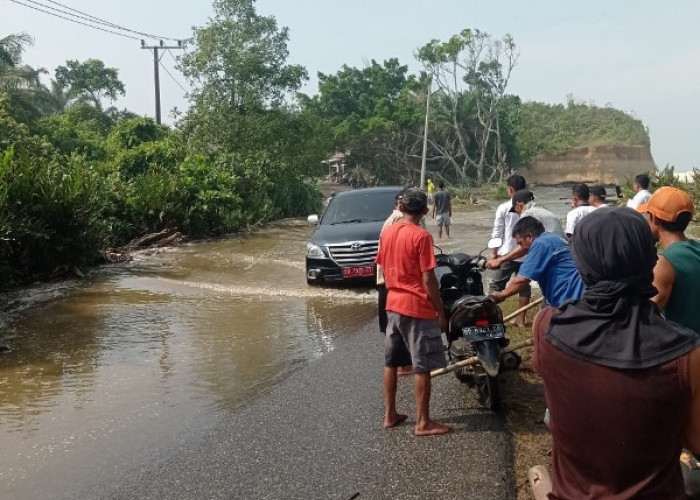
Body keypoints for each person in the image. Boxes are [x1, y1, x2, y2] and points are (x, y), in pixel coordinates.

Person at [529, 208, 700, 500]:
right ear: (650, 260)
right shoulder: (688, 353)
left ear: (582, 263)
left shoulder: (545, 326)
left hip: (572, 494)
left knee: (537, 472)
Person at [376, 188, 450, 436]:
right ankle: (423, 422)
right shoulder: (421, 237)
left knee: (392, 361)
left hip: (393, 303)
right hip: (416, 306)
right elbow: (429, 279)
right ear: (424, 210)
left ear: (401, 207)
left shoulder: (387, 233)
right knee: (422, 365)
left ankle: (390, 414)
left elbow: (383, 268)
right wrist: (441, 312)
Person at [637, 186, 700, 334]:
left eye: (647, 215)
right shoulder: (696, 249)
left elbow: (646, 320)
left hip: (686, 350)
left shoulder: (664, 263)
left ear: (654, 218)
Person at [490, 216, 584, 308]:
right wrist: (501, 260)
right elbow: (524, 250)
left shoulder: (541, 244)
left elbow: (522, 280)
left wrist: (502, 294)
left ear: (529, 237)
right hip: (579, 292)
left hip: (570, 296)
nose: (520, 247)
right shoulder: (553, 238)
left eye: (520, 243)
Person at [376, 190, 412, 376]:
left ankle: (399, 363)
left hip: (387, 278)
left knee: (392, 325)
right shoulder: (399, 220)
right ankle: (403, 365)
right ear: (401, 205)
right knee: (399, 323)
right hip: (393, 280)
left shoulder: (392, 218)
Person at [489, 174, 531, 327]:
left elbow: (497, 232)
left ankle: (490, 318)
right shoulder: (531, 206)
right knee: (524, 287)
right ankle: (521, 319)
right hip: (526, 254)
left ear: (510, 190)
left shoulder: (504, 208)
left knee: (495, 285)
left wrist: (494, 253)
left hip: (507, 254)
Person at [486, 189, 564, 270]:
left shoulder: (527, 214)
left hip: (552, 258)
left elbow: (524, 247)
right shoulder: (546, 212)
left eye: (516, 211)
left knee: (520, 281)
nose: (518, 214)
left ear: (519, 206)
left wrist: (500, 260)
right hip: (563, 255)